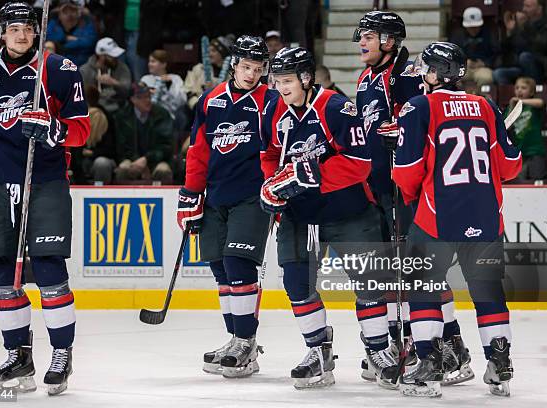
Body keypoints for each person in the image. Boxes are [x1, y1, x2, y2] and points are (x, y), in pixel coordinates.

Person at [0, 2, 90, 396]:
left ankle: (61, 354)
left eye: (29, 28)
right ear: (1, 32)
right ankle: (17, 354)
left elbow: (82, 130)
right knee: (4, 272)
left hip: (45, 179)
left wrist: (53, 128)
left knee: (49, 268)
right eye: (15, 28)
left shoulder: (57, 70)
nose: (22, 35)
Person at [260, 46, 398, 389]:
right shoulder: (274, 110)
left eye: (287, 80)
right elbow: (270, 155)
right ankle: (318, 351)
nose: (280, 87)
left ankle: (379, 350)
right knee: (297, 284)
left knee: (369, 284)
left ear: (306, 78)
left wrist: (305, 173)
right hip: (301, 216)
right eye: (276, 80)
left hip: (348, 211)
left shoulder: (337, 107)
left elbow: (358, 163)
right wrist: (273, 185)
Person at [392, 41, 520, 397]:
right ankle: (500, 365)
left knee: (423, 289)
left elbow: (406, 172)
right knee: (487, 291)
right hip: (486, 216)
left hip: (438, 217)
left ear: (436, 74)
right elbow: (510, 166)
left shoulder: (419, 107)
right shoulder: (485, 106)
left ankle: (429, 367)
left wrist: (411, 189)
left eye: (426, 68)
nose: (422, 74)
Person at [355, 10, 473, 386]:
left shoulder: (408, 76)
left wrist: (402, 131)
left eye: (369, 37)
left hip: (407, 189)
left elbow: (426, 123)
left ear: (389, 41)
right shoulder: (365, 78)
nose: (361, 42)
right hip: (377, 187)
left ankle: (451, 347)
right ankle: (402, 343)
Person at [177, 35, 271, 378]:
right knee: (220, 267)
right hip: (215, 196)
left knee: (239, 263)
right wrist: (190, 193)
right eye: (247, 67)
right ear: (234, 65)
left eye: (259, 69)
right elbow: (199, 151)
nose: (252, 74)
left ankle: (246, 342)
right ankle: (235, 337)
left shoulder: (270, 102)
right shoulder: (211, 100)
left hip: (253, 197)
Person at [113, 82, 174, 185]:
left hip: (157, 160)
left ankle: (164, 200)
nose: (148, 100)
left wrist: (147, 159)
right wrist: (137, 161)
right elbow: (120, 147)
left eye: (149, 96)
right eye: (143, 98)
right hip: (132, 160)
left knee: (163, 170)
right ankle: (123, 199)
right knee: (123, 169)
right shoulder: (122, 117)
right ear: (133, 100)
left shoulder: (162, 114)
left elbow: (166, 146)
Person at [493, 0, 547, 84]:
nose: (524, 9)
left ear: (539, 9)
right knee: (498, 73)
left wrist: (524, 27)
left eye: (528, 6)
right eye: (524, 6)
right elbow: (505, 49)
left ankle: (534, 90)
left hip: (541, 68)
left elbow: (542, 46)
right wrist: (510, 32)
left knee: (525, 57)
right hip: (521, 67)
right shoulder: (524, 25)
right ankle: (513, 93)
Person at [505, 77, 546, 183]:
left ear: (532, 92)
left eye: (524, 88)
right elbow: (506, 126)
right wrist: (511, 107)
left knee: (537, 181)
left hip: (535, 150)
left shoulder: (533, 106)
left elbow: (540, 102)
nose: (519, 90)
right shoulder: (513, 108)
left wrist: (521, 101)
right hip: (520, 152)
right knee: (520, 182)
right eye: (517, 88)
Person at [80, 37, 132, 113]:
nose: (115, 58)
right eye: (111, 56)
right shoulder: (85, 71)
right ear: (101, 56)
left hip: (118, 109)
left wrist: (114, 83)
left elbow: (128, 92)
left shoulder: (122, 68)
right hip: (94, 110)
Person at [450, 7, 497, 87]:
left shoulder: (488, 34)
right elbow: (451, 54)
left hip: (483, 68)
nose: (473, 30)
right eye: (471, 27)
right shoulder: (457, 36)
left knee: (486, 77)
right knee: (453, 76)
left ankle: (481, 97)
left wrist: (485, 63)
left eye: (476, 27)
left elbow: (496, 54)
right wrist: (462, 62)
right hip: (464, 67)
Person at [184, 36, 232, 110]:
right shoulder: (198, 69)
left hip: (222, 110)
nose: (209, 54)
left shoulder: (232, 74)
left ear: (222, 53)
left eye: (213, 51)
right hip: (197, 108)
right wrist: (197, 105)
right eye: (208, 51)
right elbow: (187, 89)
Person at [140, 49, 187, 121]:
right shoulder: (145, 79)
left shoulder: (175, 78)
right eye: (149, 61)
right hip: (149, 115)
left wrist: (169, 87)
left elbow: (181, 101)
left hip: (169, 114)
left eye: (153, 61)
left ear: (163, 64)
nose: (149, 64)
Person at [46, 0, 96, 67]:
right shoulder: (54, 23)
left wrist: (62, 46)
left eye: (73, 11)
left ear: (78, 14)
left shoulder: (86, 24)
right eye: (65, 12)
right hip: (58, 64)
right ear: (59, 15)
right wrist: (65, 38)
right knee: (48, 46)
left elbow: (90, 42)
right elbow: (47, 37)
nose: (69, 15)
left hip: (80, 65)